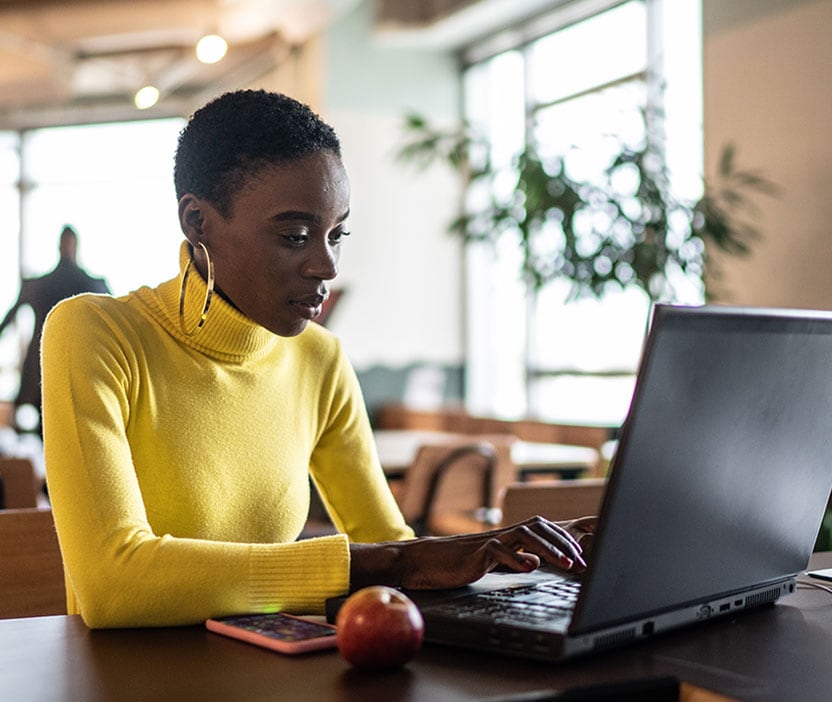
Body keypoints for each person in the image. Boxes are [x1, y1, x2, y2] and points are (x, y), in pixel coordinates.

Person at [41, 90, 595, 629]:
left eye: (337, 234)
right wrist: (392, 562)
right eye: (296, 235)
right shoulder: (96, 333)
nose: (326, 267)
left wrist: (524, 566)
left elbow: (397, 553)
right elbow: (114, 583)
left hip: (276, 677)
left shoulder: (319, 358)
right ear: (197, 222)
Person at [0, 225, 109, 434]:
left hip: (44, 369)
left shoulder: (39, 285)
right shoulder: (93, 285)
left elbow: (7, 322)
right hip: (73, 370)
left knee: (46, 433)